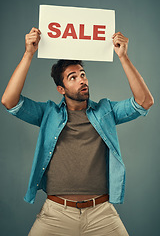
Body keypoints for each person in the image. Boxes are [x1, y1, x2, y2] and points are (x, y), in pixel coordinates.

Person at [1, 27, 154, 236]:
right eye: (72, 77)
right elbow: (9, 101)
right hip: (55, 214)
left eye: (83, 74)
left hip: (101, 213)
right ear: (61, 89)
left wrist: (123, 57)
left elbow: (144, 102)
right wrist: (29, 53)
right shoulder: (48, 113)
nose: (82, 79)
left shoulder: (105, 110)